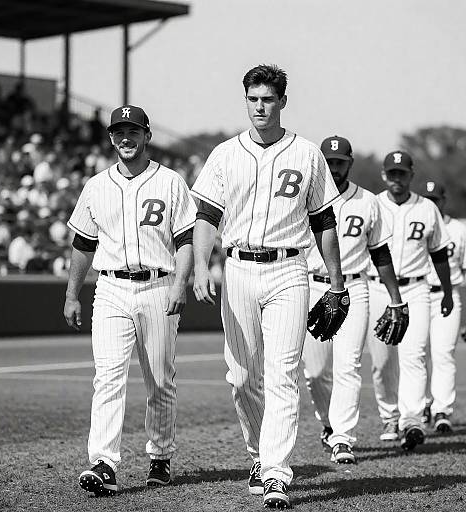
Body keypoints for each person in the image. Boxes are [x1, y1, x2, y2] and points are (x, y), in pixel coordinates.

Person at [191, 64, 345, 509]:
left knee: (282, 374)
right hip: (237, 268)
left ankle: (277, 473)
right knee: (241, 378)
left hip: (288, 270)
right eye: (253, 99)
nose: (260, 106)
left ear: (282, 102)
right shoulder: (224, 154)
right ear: (246, 101)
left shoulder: (308, 153)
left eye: (268, 99)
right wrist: (202, 266)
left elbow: (324, 221)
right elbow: (206, 216)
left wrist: (336, 284)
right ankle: (258, 454)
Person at [63, 105, 196, 497]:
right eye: (119, 132)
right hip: (110, 288)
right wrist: (72, 293)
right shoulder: (96, 186)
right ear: (110, 137)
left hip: (157, 284)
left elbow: (186, 238)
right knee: (108, 376)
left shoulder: (171, 182)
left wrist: (181, 282)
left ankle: (160, 456)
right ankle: (103, 462)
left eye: (133, 131)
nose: (126, 138)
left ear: (147, 135)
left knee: (159, 378)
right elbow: (83, 243)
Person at [301, 136, 404, 464]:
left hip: (354, 288)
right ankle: (329, 424)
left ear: (350, 163)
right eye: (328, 162)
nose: (333, 168)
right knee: (314, 371)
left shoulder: (367, 201)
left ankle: (343, 437)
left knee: (349, 364)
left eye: (340, 162)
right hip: (312, 286)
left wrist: (395, 297)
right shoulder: (303, 197)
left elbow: (380, 251)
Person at [366, 150, 453, 450]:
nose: (397, 179)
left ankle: (411, 419)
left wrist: (448, 292)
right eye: (392, 173)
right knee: (382, 360)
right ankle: (390, 414)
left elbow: (439, 252)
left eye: (402, 173)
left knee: (413, 355)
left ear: (411, 174)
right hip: (377, 288)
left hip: (417, 289)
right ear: (384, 175)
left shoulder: (427, 208)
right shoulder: (373, 205)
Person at [421, 181, 466, 432]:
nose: (431, 204)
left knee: (443, 353)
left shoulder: (457, 229)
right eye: (427, 199)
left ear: (443, 200)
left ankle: (441, 410)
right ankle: (422, 404)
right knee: (416, 355)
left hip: (447, 298)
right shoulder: (416, 223)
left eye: (435, 199)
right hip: (416, 294)